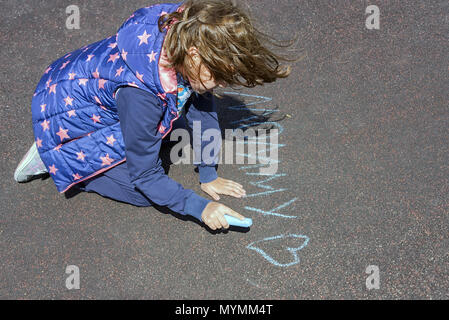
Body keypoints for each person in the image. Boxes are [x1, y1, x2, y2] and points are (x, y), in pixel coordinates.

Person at [14, 0, 293, 231]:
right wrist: (200, 207)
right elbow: (145, 175)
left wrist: (208, 174)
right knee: (143, 190)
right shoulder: (142, 97)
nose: (221, 84)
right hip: (65, 122)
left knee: (175, 126)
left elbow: (202, 106)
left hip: (78, 89)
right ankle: (50, 157)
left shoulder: (188, 32)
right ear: (194, 55)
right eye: (219, 76)